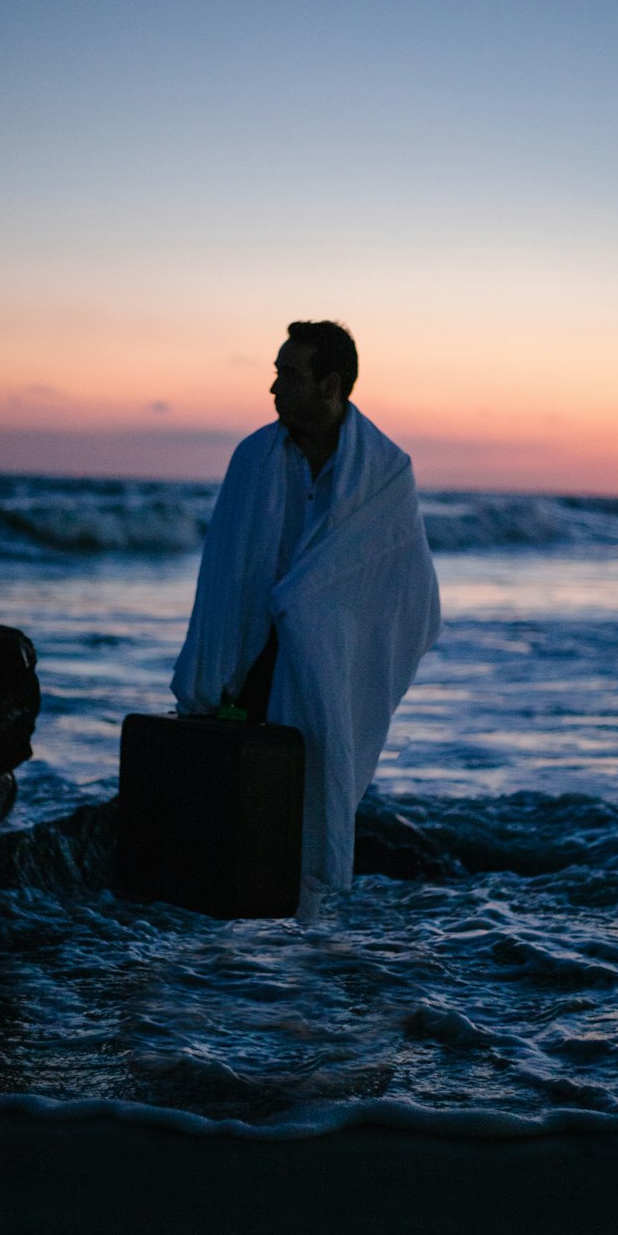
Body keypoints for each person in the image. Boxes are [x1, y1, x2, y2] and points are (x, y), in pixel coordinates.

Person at [171, 321, 440, 911]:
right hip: (254, 653)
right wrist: (215, 670)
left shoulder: (386, 470)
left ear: (331, 385)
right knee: (240, 813)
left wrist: (313, 609)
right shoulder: (254, 458)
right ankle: (233, 936)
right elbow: (224, 573)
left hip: (332, 655)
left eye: (288, 375)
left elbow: (409, 591)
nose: (273, 388)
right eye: (275, 372)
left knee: (310, 791)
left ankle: (304, 937)